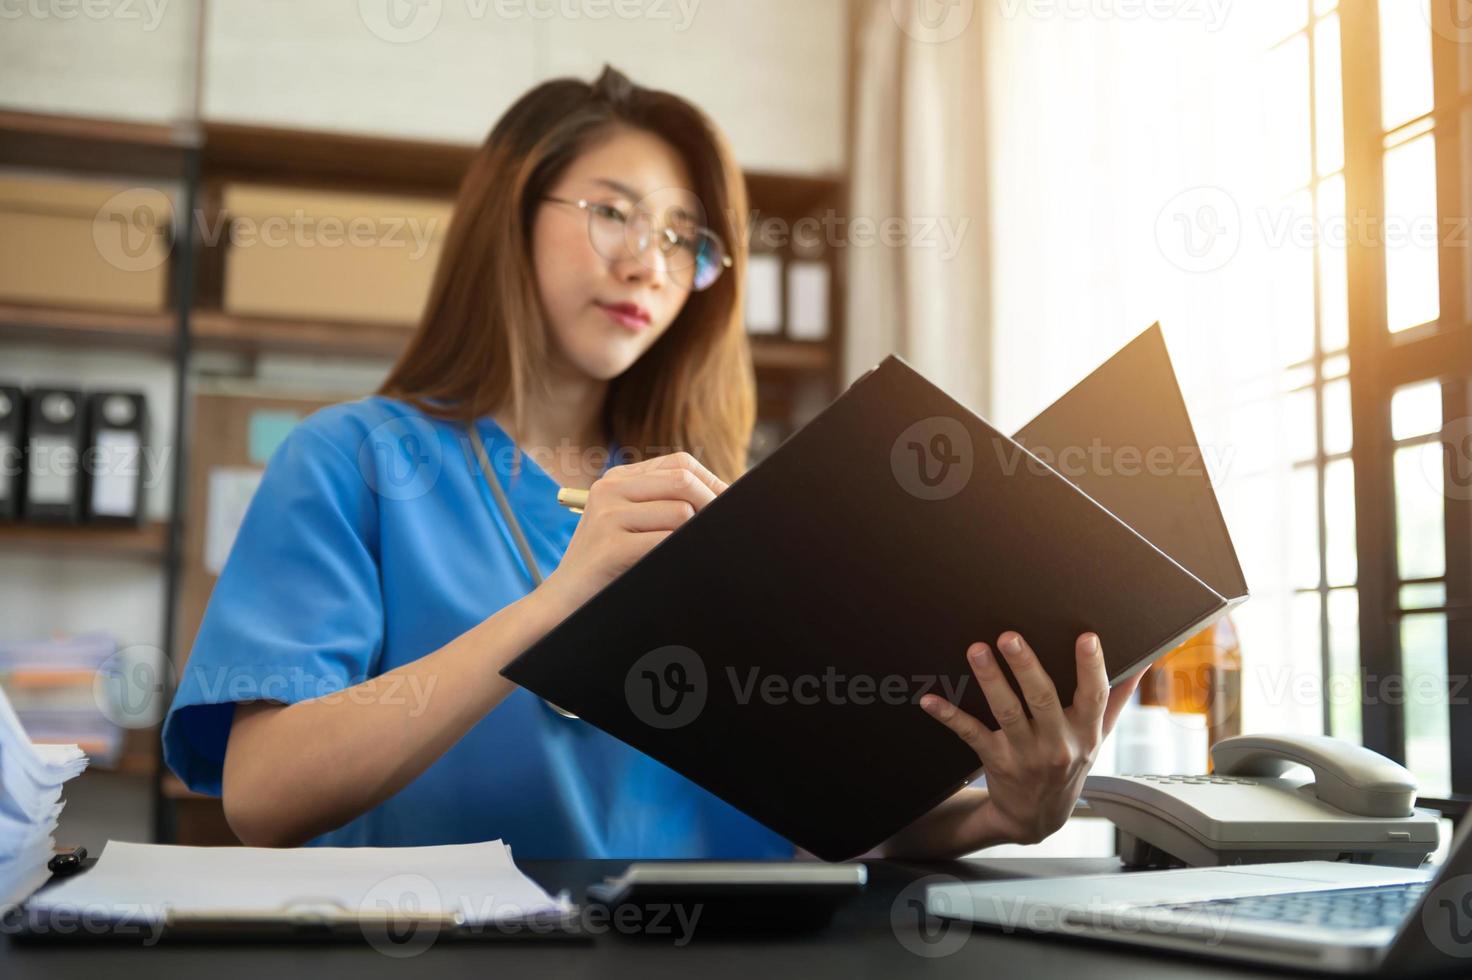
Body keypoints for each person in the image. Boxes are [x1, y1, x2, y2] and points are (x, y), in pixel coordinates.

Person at [162, 66, 1141, 857]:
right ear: (509, 214)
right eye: (614, 213)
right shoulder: (352, 460)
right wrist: (552, 608)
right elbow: (263, 794)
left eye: (685, 239)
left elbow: (826, 812)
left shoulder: (726, 504)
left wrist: (1003, 813)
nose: (650, 263)